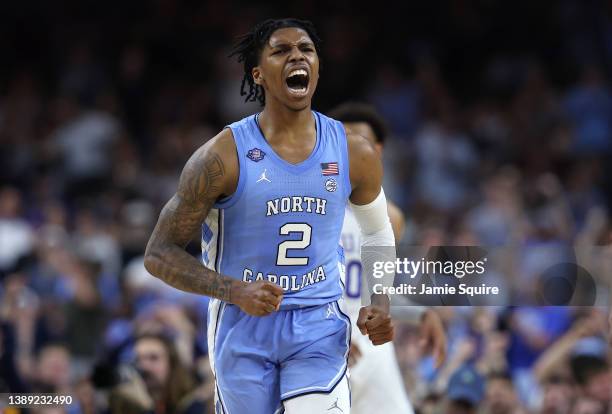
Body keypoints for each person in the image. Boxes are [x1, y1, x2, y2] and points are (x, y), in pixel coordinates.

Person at [144, 18, 395, 413]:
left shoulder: (353, 151)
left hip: (318, 322)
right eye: (281, 50)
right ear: (258, 74)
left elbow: (379, 233)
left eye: (306, 49)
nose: (297, 55)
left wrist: (380, 301)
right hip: (242, 326)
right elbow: (158, 253)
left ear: (316, 66)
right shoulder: (220, 157)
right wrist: (234, 290)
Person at [329, 102, 447, 414]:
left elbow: (374, 291)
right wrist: (324, 333)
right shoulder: (311, 208)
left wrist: (419, 314)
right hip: (319, 346)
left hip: (372, 348)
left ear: (377, 152)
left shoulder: (391, 217)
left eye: (361, 145)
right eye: (345, 145)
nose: (353, 154)